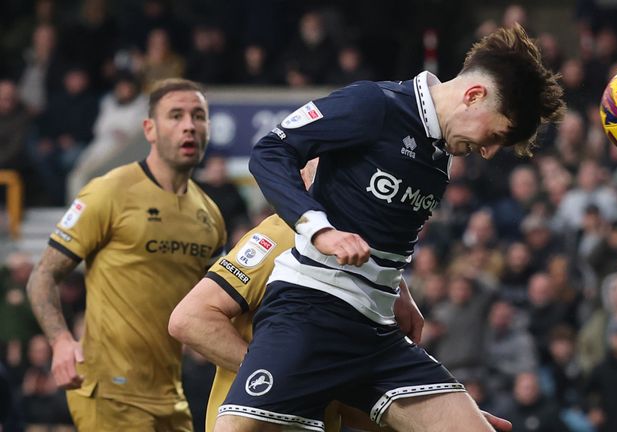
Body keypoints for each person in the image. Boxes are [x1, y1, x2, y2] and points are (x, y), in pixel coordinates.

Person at [217, 24, 564, 431]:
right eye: (495, 135)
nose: (488, 152)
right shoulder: (374, 104)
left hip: (375, 334)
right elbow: (271, 150)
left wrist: (399, 289)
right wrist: (319, 229)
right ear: (473, 96)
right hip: (309, 312)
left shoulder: (441, 152)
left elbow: (379, 225)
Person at [169, 160, 513, 432]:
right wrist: (279, 375)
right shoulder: (282, 235)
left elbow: (348, 397)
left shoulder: (374, 266)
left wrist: (436, 415)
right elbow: (190, 319)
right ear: (303, 176)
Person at [25, 78, 227, 431]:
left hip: (171, 398)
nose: (189, 126)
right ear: (149, 129)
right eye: (175, 115)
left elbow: (216, 304)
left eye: (198, 116)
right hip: (109, 391)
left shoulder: (210, 214)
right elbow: (42, 276)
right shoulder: (109, 192)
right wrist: (60, 341)